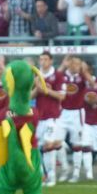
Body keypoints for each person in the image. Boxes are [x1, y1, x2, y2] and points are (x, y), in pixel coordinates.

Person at [35, 52, 66, 186]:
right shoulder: (36, 76)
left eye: (45, 59)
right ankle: (44, 175)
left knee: (48, 145)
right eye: (41, 59)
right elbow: (29, 96)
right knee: (40, 147)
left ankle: (52, 177)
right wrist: (37, 89)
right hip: (39, 117)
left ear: (51, 61)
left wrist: (45, 91)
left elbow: (61, 96)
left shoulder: (58, 76)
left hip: (52, 116)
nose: (43, 62)